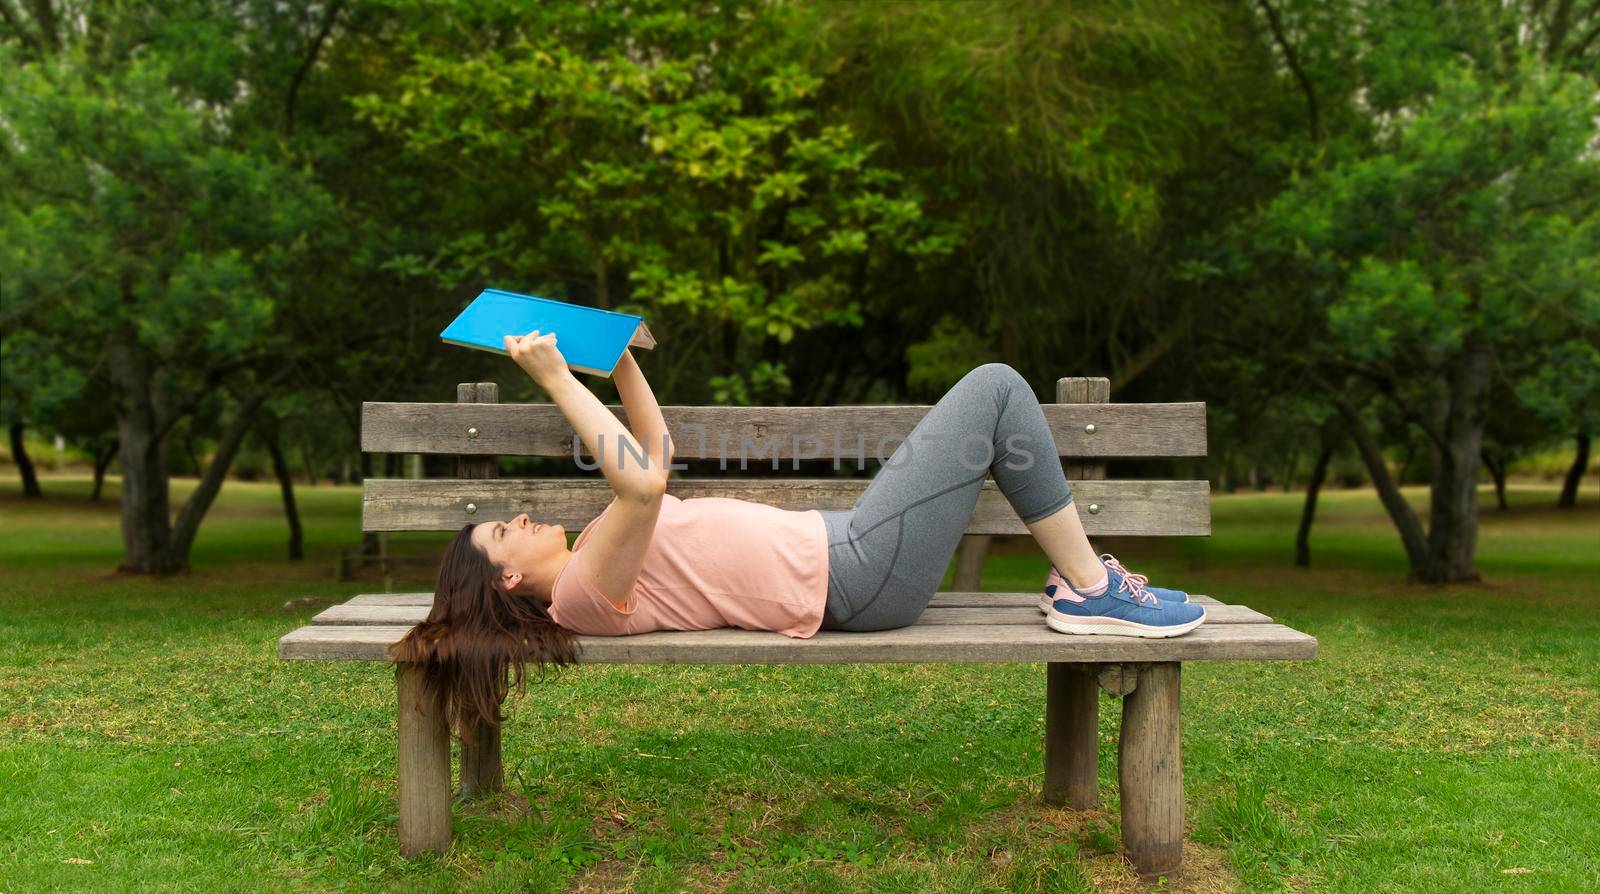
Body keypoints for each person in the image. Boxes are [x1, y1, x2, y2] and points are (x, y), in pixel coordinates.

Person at [392, 329, 1204, 741]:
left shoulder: (597, 551)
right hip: (857, 576)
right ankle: (1091, 589)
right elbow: (643, 481)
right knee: (994, 391)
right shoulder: (576, 595)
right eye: (506, 530)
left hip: (851, 546)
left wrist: (619, 358)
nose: (524, 517)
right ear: (504, 581)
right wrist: (555, 378)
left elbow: (656, 453)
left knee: (992, 400)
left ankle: (1083, 584)